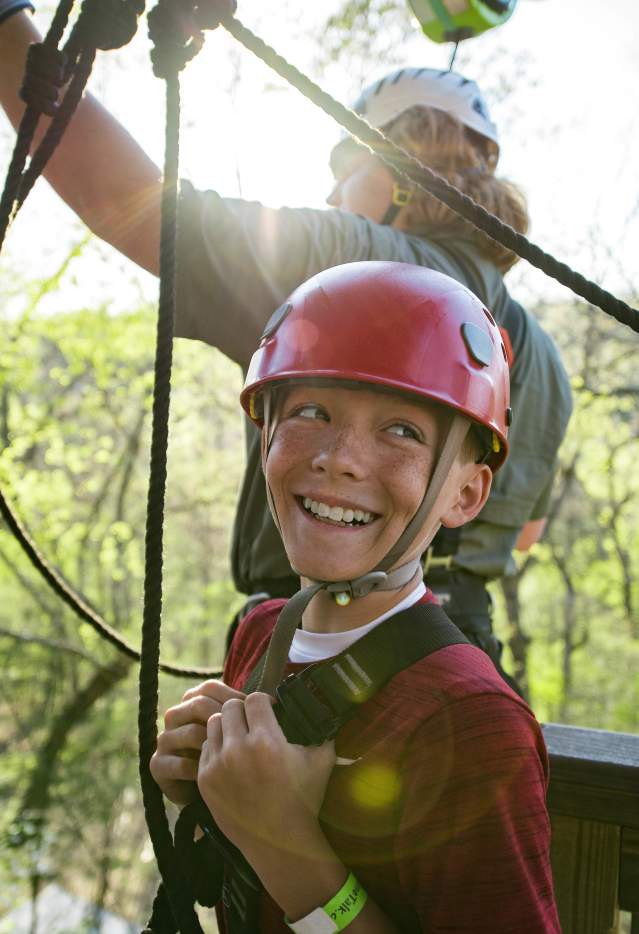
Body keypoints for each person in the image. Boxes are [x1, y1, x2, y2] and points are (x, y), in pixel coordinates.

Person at [0, 6, 572, 686]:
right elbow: (523, 538)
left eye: (346, 165)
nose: (331, 189)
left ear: (397, 171)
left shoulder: (348, 264)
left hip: (319, 648)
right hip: (460, 656)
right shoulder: (543, 359)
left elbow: (138, 210)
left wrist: (10, 33)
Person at [150, 262, 561, 933]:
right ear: (267, 436)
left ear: (465, 493)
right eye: (312, 412)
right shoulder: (261, 633)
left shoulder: (469, 721)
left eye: (402, 431)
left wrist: (283, 841)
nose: (339, 459)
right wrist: (207, 795)